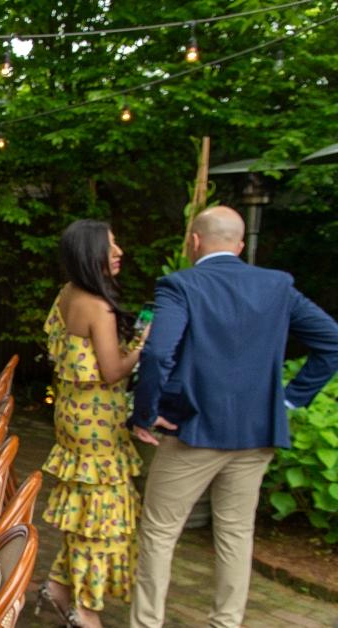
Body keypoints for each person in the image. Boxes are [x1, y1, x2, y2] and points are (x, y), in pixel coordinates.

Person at [127, 205, 338, 628]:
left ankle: (147, 624)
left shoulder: (180, 284)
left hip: (192, 431)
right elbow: (331, 341)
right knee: (236, 534)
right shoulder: (278, 286)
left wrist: (146, 413)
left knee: (160, 533)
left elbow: (157, 353)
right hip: (256, 433)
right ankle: (226, 623)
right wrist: (289, 401)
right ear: (240, 245)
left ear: (194, 240)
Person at [35, 220, 146, 628]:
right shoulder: (97, 306)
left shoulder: (68, 293)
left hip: (73, 418)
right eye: (110, 245)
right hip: (97, 427)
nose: (118, 252)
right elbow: (113, 369)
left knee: (83, 509)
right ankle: (85, 611)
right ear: (89, 253)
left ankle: (60, 588)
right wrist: (142, 347)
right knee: (102, 519)